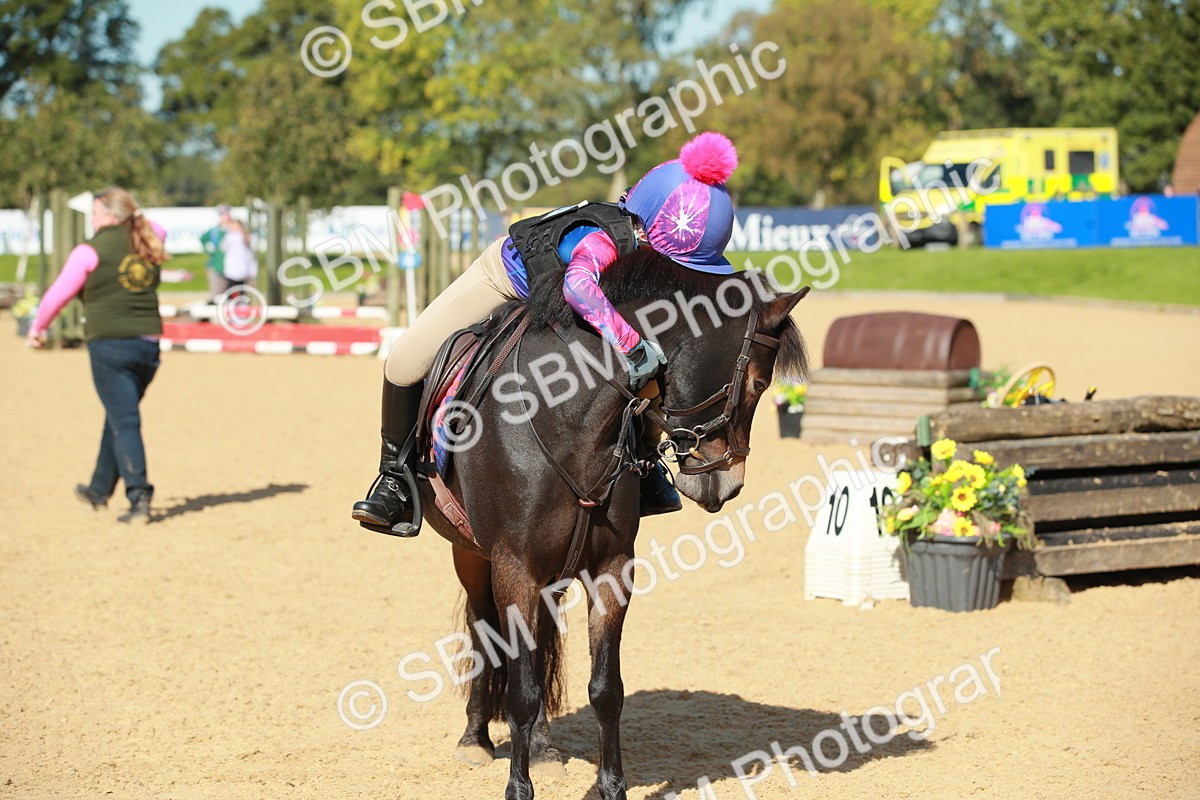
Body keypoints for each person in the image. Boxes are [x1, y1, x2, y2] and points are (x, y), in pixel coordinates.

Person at [352, 131, 740, 537]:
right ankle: (394, 479)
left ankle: (643, 464)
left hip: (559, 299)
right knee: (403, 360)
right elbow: (578, 288)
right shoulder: (602, 239)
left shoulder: (647, 245)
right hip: (507, 280)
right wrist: (631, 344)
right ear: (647, 234)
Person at [27, 187, 170, 524]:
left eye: (95, 213)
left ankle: (139, 497)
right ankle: (98, 488)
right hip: (148, 345)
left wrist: (39, 327)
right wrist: (134, 216)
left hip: (110, 344)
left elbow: (55, 295)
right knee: (120, 415)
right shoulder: (148, 243)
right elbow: (157, 227)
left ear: (108, 215)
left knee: (124, 421)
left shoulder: (89, 251)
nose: (91, 219)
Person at [200, 204, 232, 303]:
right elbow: (203, 240)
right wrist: (210, 250)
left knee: (231, 294)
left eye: (226, 214)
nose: (225, 216)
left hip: (231, 267)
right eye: (222, 214)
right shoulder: (214, 231)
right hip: (216, 265)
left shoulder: (233, 229)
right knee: (216, 294)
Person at [220, 219, 257, 289]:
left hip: (233, 272)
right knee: (240, 293)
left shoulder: (232, 236)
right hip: (243, 272)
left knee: (231, 293)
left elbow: (223, 247)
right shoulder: (244, 237)